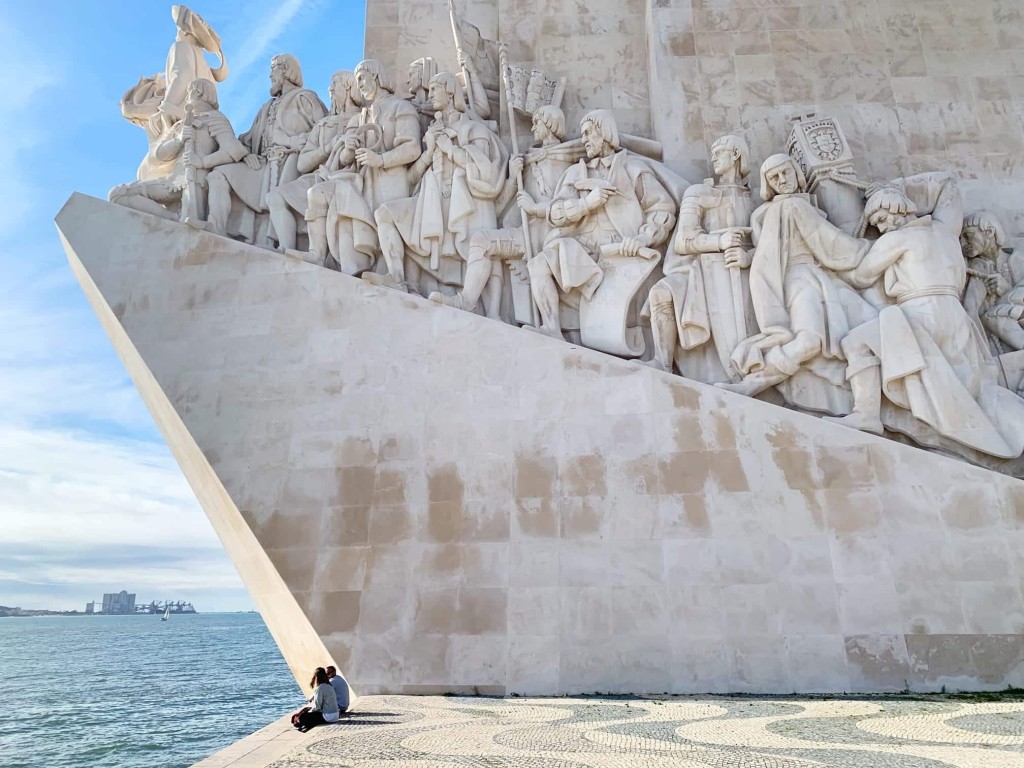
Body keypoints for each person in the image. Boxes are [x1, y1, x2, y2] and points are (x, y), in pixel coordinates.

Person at [826, 175, 1024, 458]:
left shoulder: (897, 239)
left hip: (921, 314)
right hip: (957, 320)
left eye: (881, 219)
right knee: (966, 389)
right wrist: (899, 186)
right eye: (877, 224)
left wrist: (822, 259)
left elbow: (861, 276)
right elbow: (949, 186)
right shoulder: (945, 231)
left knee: (855, 343)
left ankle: (866, 415)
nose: (881, 228)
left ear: (896, 208)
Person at [717, 153, 876, 415]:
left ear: (796, 172)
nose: (782, 180)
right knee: (811, 340)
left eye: (785, 172)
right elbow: (830, 242)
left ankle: (867, 411)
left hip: (822, 278)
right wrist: (870, 248)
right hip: (799, 279)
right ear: (768, 184)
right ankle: (752, 384)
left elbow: (774, 246)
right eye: (774, 177)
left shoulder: (794, 206)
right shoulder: (790, 206)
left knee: (869, 327)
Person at [370, 71, 506, 295]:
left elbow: (486, 172)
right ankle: (397, 279)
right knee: (385, 213)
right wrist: (429, 152)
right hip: (431, 201)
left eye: (435, 89)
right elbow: (411, 179)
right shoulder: (432, 132)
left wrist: (450, 149)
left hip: (463, 203)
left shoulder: (474, 129)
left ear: (450, 91)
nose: (430, 94)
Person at [205, 54, 327, 246]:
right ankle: (215, 228)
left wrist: (291, 142)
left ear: (285, 70)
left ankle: (285, 247)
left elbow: (324, 132)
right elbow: (248, 139)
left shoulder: (305, 98)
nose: (270, 75)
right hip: (262, 166)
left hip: (291, 165)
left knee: (278, 200)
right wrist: (245, 155)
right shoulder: (266, 107)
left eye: (273, 69)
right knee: (218, 175)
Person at [292, 667, 339, 732]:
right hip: (336, 715)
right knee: (309, 715)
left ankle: (304, 724)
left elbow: (317, 706)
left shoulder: (320, 688)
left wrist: (309, 712)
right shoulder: (330, 686)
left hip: (328, 717)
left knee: (302, 717)